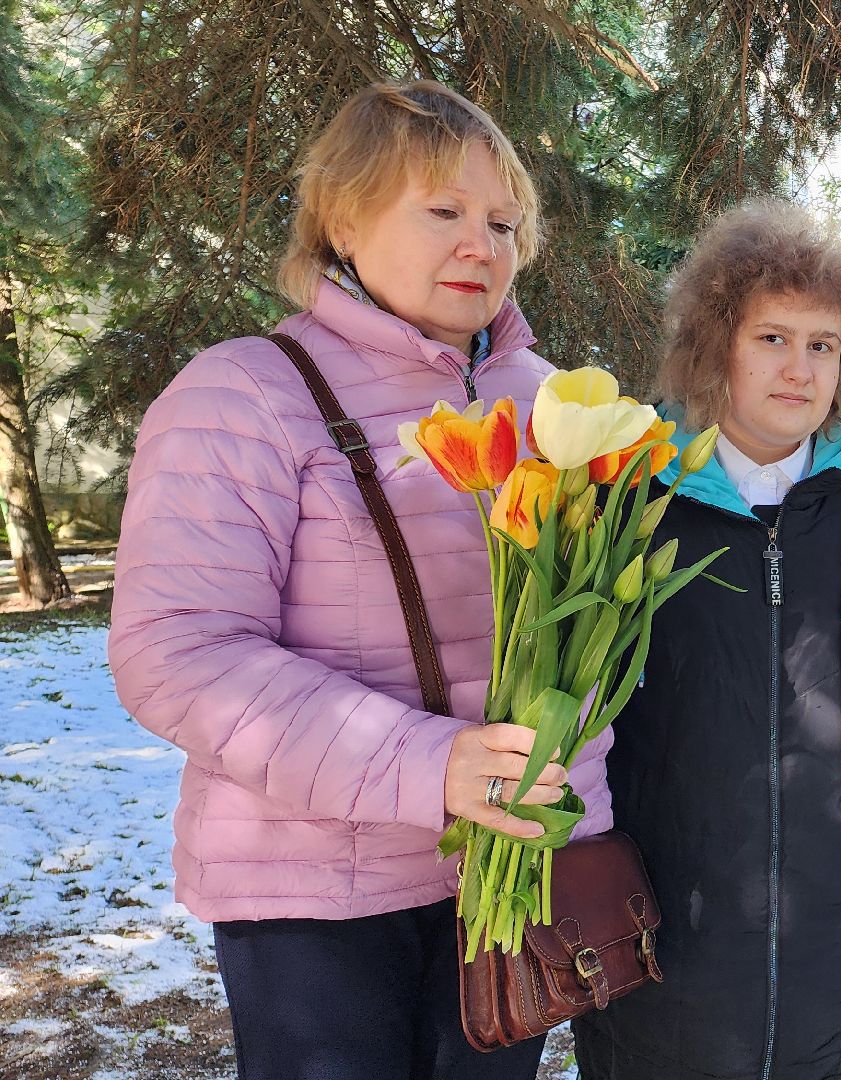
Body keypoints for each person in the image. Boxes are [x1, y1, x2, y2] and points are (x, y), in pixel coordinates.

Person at [108, 81, 606, 1078]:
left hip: (507, 882)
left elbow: (588, 632)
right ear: (342, 218)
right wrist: (434, 767)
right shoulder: (244, 392)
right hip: (316, 901)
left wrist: (575, 808)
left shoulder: (553, 403)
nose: (482, 244)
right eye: (444, 211)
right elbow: (177, 653)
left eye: (504, 222)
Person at [570, 199, 841, 1080]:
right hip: (665, 921)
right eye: (772, 339)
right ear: (717, 342)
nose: (799, 369)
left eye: (822, 345)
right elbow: (574, 692)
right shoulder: (627, 490)